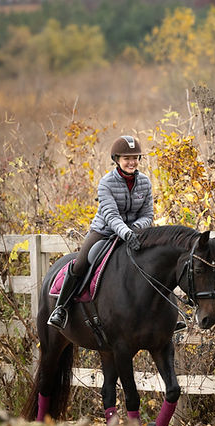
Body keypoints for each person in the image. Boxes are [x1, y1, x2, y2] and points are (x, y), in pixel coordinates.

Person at [47, 135, 154, 329]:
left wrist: (134, 231)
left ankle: (160, 315)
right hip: (104, 232)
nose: (132, 162)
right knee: (81, 263)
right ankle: (61, 309)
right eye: (126, 158)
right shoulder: (106, 183)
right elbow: (111, 216)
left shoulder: (145, 183)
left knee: (155, 261)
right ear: (117, 160)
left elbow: (148, 214)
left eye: (135, 158)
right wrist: (126, 233)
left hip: (135, 233)